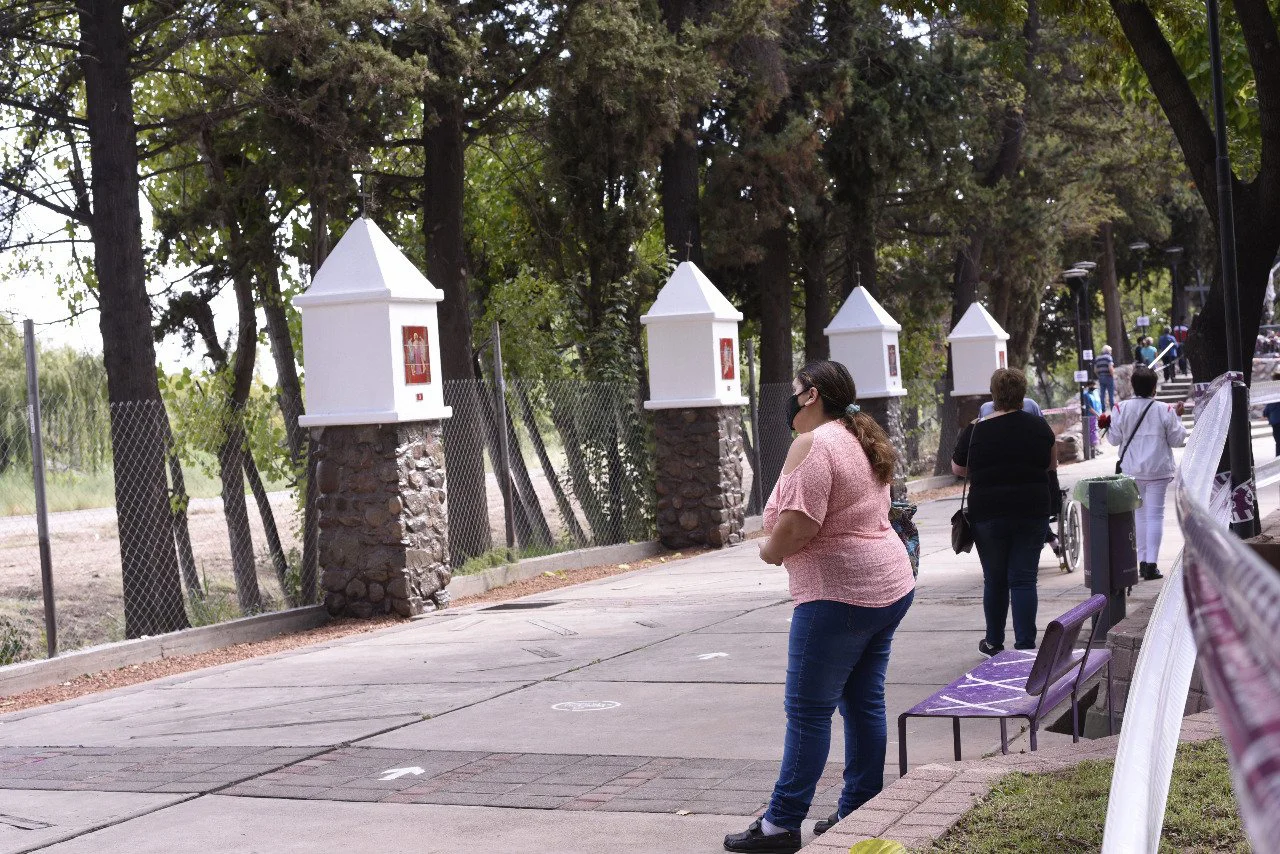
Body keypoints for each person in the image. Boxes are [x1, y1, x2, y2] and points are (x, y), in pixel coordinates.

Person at [724, 360, 914, 853]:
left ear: (811, 396)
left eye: (794, 391)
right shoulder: (857, 438)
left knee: (809, 712)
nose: (790, 399)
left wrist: (769, 551)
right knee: (863, 701)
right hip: (887, 586)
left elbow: (800, 526)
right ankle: (860, 808)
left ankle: (780, 825)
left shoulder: (814, 444)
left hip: (838, 594)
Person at [952, 368, 1057, 656]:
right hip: (1031, 510)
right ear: (1023, 394)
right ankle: (1025, 645)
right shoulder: (1038, 427)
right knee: (1023, 579)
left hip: (989, 513)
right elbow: (1050, 465)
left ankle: (994, 643)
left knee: (995, 579)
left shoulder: (976, 429)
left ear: (994, 395)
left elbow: (958, 468)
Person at [1108, 365, 1188, 581]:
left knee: (1139, 516)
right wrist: (1179, 418)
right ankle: (1151, 564)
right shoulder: (1166, 410)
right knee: (1155, 516)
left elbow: (1113, 439)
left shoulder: (1119, 409)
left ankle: (1142, 561)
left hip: (1131, 470)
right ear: (1154, 388)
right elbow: (1177, 440)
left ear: (1133, 386)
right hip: (1158, 470)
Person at [1094, 345, 1116, 410]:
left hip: (1101, 377)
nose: (1111, 352)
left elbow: (1095, 370)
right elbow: (1110, 368)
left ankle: (1102, 409)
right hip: (1109, 377)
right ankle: (1113, 409)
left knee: (1102, 394)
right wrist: (1113, 375)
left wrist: (1099, 376)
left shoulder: (1097, 358)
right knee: (1111, 395)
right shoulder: (1108, 358)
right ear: (1108, 351)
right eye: (1110, 351)